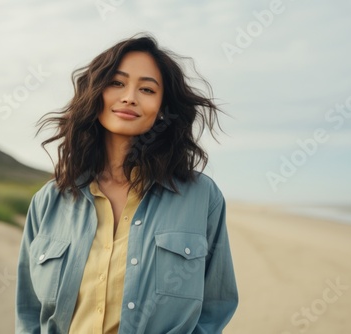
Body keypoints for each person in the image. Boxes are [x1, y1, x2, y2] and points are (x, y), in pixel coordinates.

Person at [15, 33, 238, 334]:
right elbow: (29, 313)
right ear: (95, 94)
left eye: (147, 89)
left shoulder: (201, 197)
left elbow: (215, 307)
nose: (130, 96)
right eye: (117, 83)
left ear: (163, 107)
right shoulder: (49, 201)